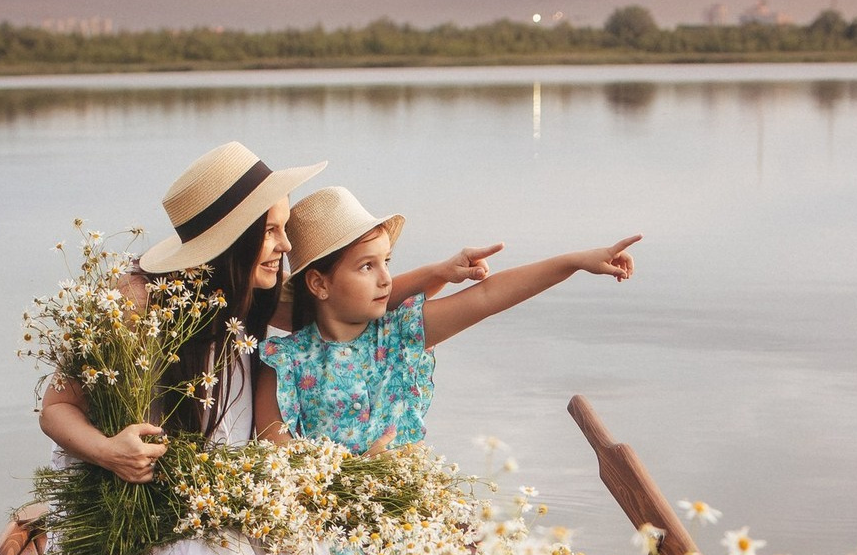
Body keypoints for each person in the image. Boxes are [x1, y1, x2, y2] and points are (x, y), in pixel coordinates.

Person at [0, 145, 497, 555]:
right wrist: (110, 450)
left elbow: (340, 294)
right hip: (137, 497)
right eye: (274, 231)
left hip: (211, 492)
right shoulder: (135, 301)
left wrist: (439, 272)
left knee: (297, 542)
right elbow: (56, 408)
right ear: (233, 238)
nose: (286, 246)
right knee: (212, 553)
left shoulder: (253, 296)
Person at [254, 186, 639, 456]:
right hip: (329, 531)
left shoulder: (399, 335)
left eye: (386, 262)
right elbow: (279, 458)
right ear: (319, 283)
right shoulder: (283, 361)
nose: (385, 278)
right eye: (366, 267)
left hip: (408, 525)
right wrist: (357, 475)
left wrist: (573, 262)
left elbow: (489, 295)